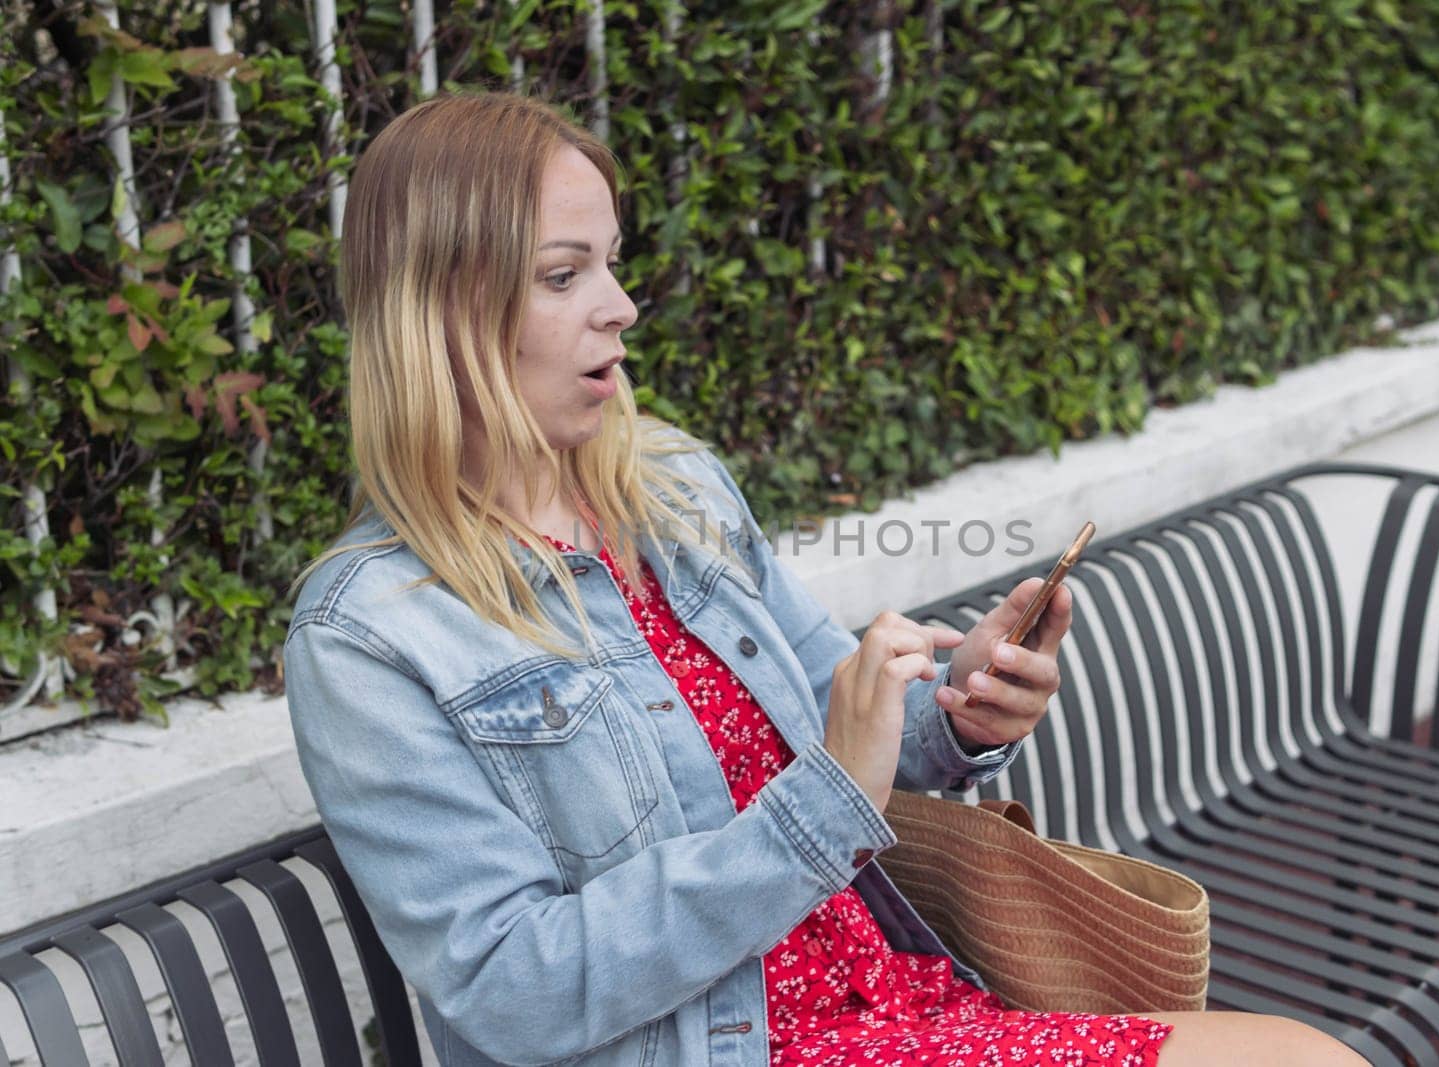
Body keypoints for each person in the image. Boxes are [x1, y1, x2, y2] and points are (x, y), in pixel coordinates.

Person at [284, 92, 1369, 1067]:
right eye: (564, 276)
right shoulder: (369, 633)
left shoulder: (672, 489)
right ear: (443, 314)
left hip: (893, 995)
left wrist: (958, 711)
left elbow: (832, 715)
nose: (618, 305)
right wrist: (817, 809)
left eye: (611, 262)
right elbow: (511, 989)